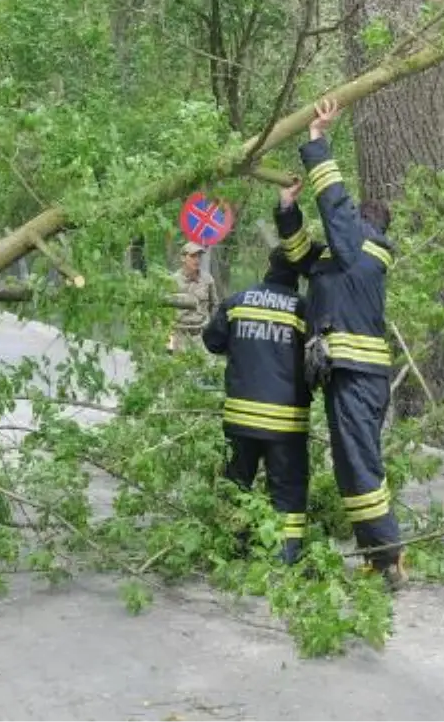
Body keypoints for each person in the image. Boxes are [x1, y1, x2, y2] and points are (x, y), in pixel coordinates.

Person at [274, 97, 405, 589]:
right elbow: (299, 256)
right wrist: (288, 208)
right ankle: (378, 553)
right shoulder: (341, 260)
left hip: (357, 376)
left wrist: (318, 142)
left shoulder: (362, 252)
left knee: (358, 464)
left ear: (363, 227)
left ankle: (388, 555)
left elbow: (335, 208)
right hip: (348, 375)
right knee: (354, 465)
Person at [201, 247, 312, 564]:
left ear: (268, 265)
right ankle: (285, 557)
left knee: (236, 486)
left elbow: (212, 341)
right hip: (286, 423)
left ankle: (230, 550)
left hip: (240, 418)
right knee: (288, 491)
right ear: (299, 274)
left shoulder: (237, 302)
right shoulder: (303, 310)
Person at [168, 241, 218, 353]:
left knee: (205, 363)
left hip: (201, 335)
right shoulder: (172, 281)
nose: (197, 260)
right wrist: (169, 341)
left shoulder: (207, 280)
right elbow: (165, 312)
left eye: (199, 256)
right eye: (193, 256)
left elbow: (214, 305)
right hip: (179, 335)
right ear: (183, 258)